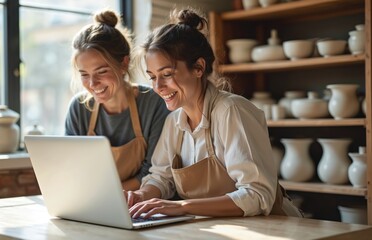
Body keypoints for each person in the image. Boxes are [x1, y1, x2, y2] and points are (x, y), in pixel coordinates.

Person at [127, 8, 302, 218]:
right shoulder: (174, 122)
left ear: (199, 67)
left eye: (166, 74)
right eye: (152, 77)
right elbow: (161, 178)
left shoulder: (232, 111)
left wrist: (183, 207)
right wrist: (141, 195)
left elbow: (257, 195)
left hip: (274, 228)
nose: (158, 86)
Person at [65, 10, 170, 191]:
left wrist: (110, 195)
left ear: (123, 63)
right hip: (94, 202)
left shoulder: (154, 103)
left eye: (101, 72)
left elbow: (153, 172)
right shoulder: (79, 109)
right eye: (84, 74)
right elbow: (74, 170)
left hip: (141, 202)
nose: (92, 83)